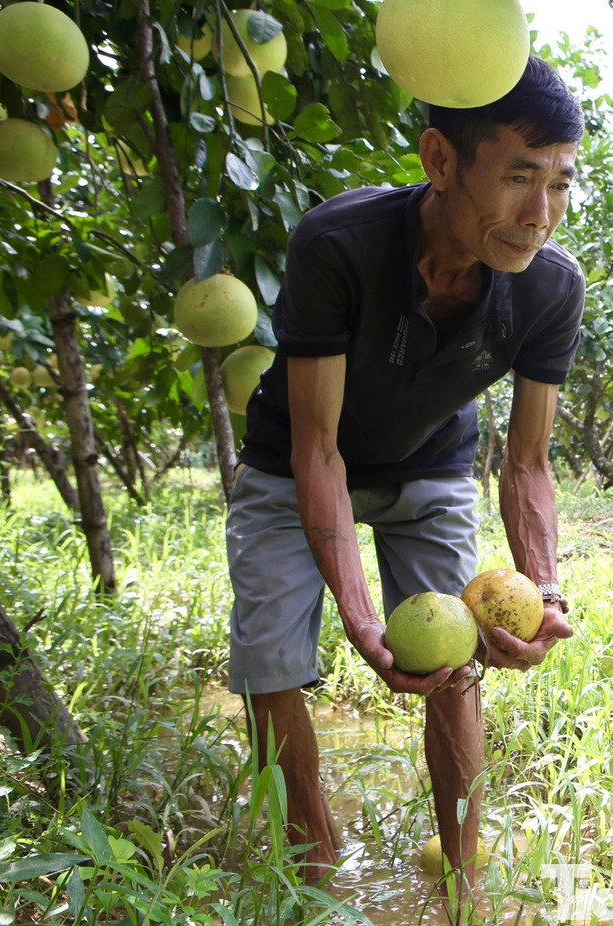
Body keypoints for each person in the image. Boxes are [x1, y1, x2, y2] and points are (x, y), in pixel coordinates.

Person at [223, 55, 585, 904]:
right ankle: (314, 862)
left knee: (458, 667)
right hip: (295, 463)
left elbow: (527, 463)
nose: (540, 215)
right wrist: (357, 615)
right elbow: (318, 450)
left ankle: (463, 881)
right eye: (519, 177)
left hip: (429, 463)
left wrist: (545, 588)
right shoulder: (340, 244)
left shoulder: (550, 288)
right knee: (270, 666)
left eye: (562, 183)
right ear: (440, 160)